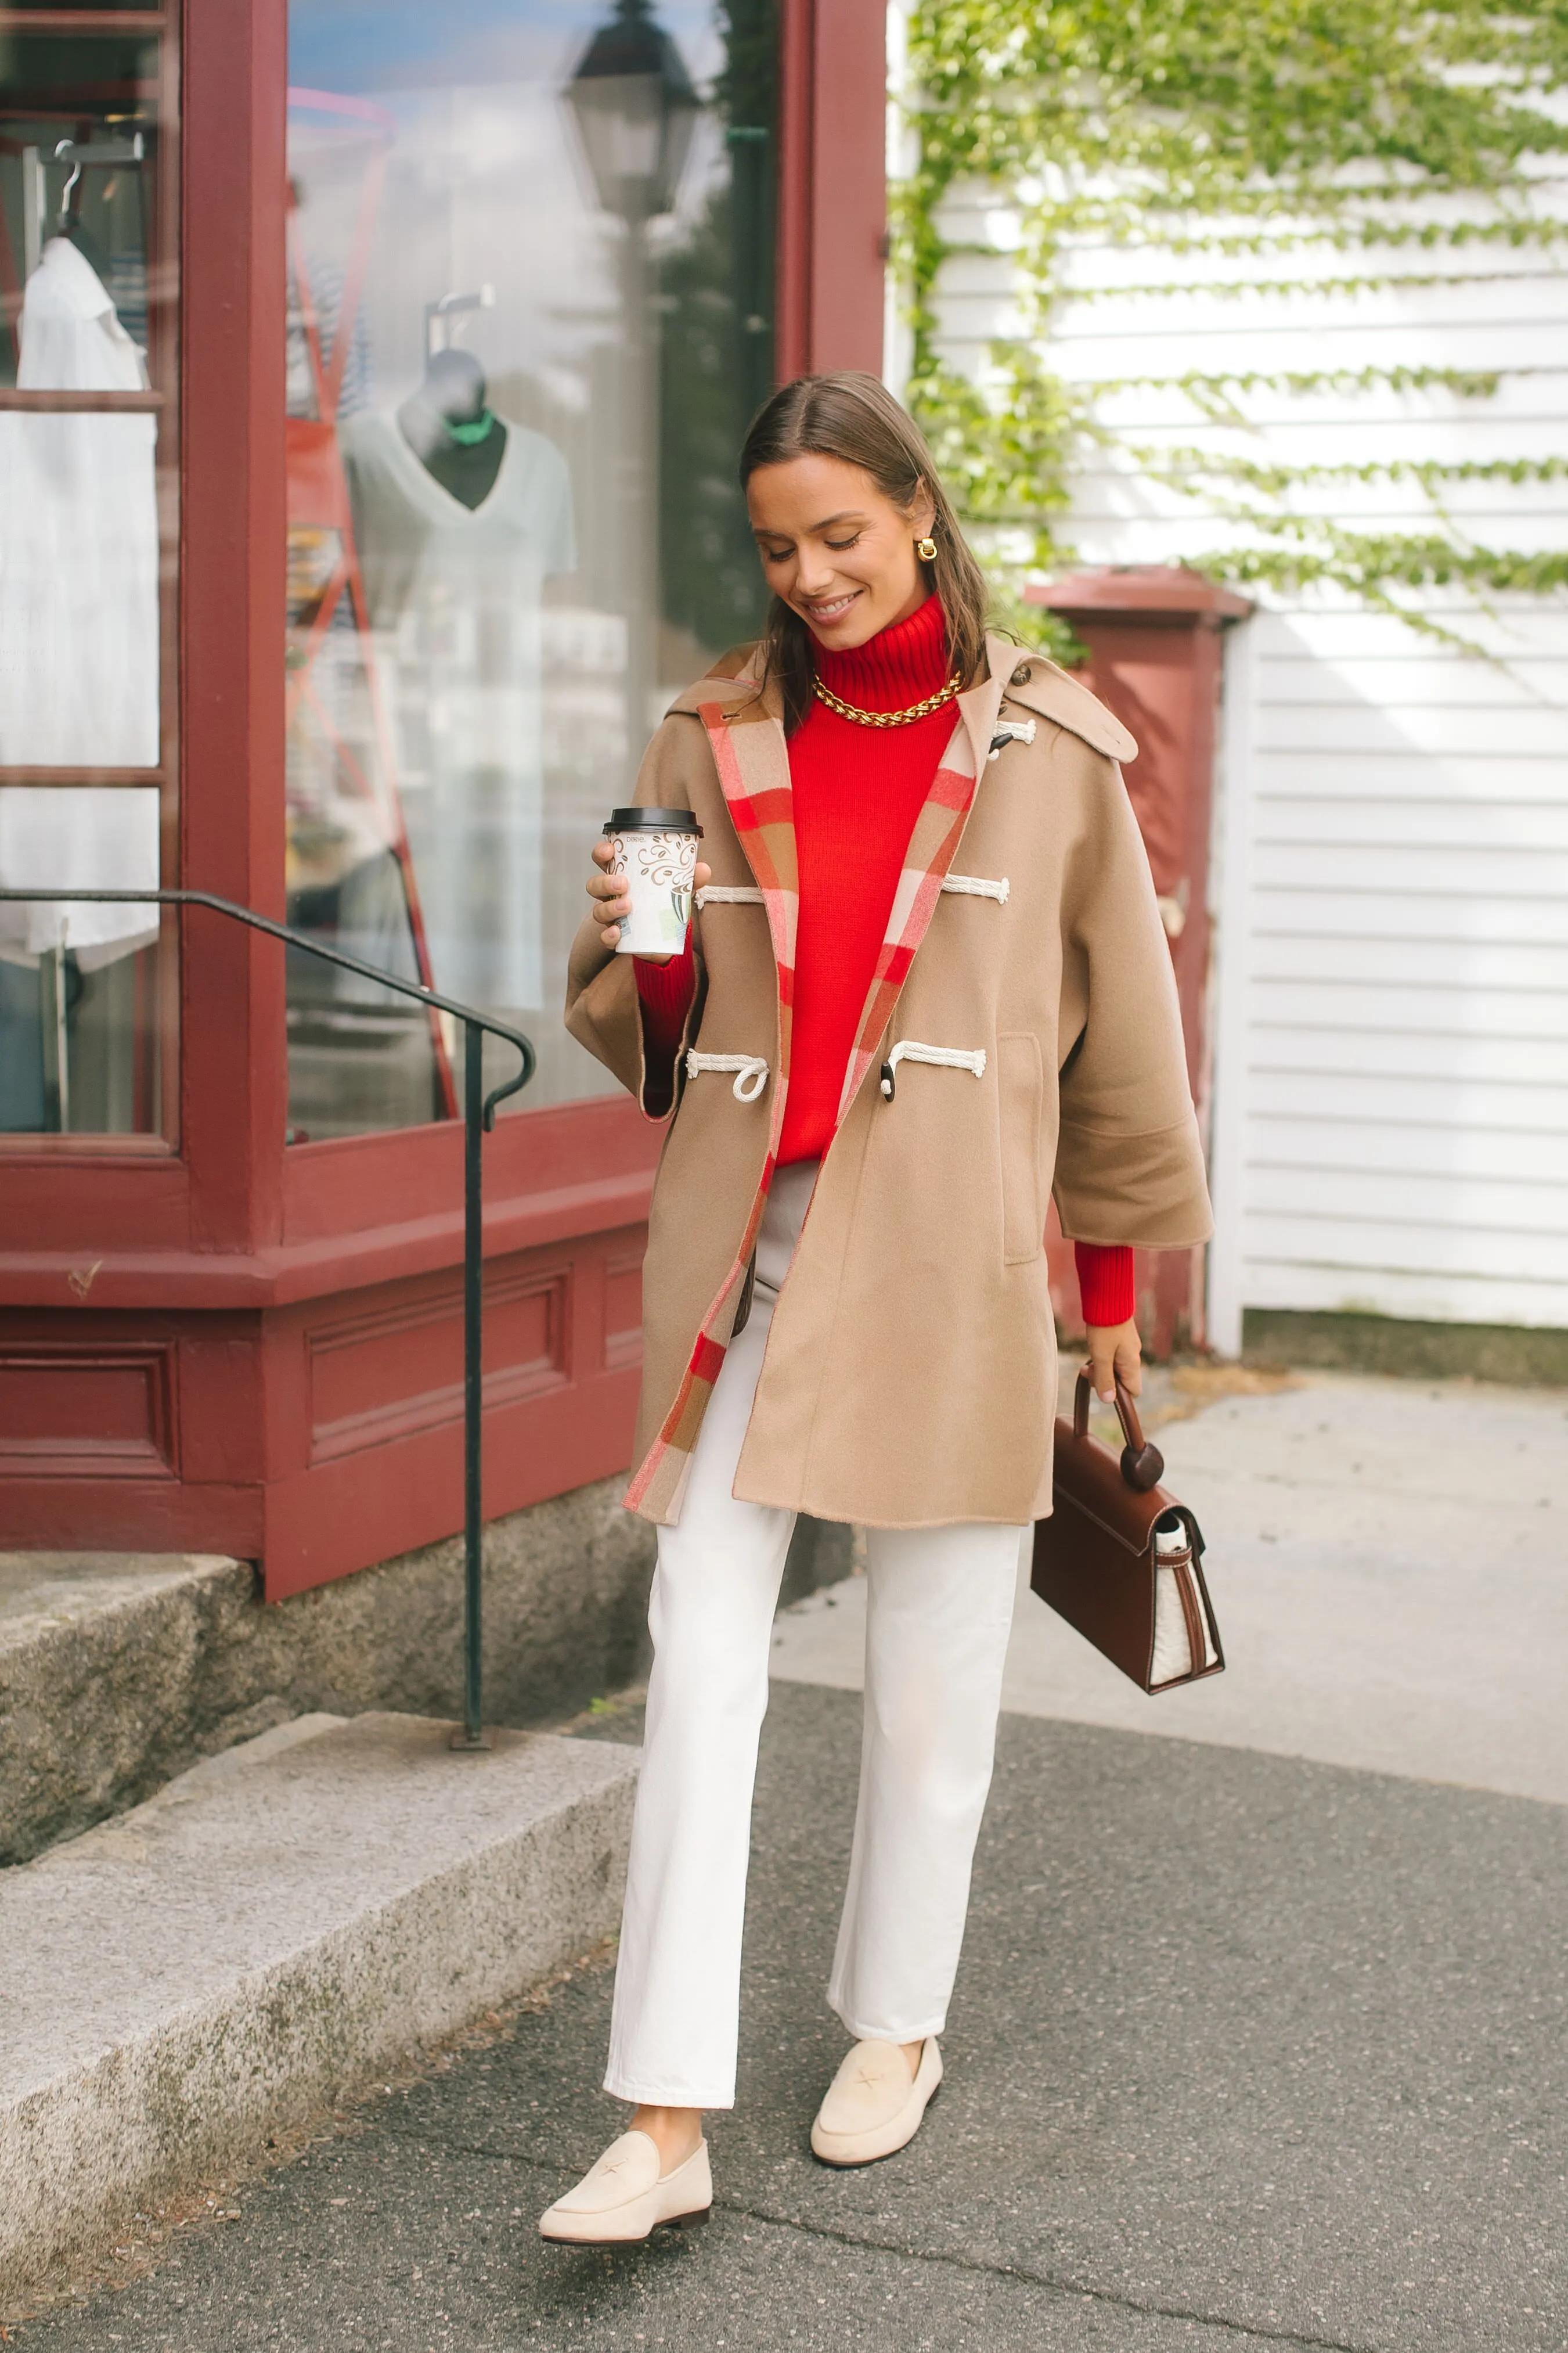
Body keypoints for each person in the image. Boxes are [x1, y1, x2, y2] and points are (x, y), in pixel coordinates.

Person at [542, 372, 1212, 2244]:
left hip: (955, 1261)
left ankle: (895, 2028)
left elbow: (1122, 1059)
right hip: (750, 1255)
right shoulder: (710, 727)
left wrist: (1106, 1290)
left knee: (929, 1689)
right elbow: (656, 1037)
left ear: (920, 511)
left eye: (841, 533)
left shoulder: (1054, 748)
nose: (812, 574)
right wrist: (637, 938)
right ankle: (661, 2118)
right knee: (704, 1659)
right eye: (778, 546)